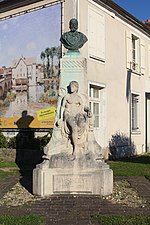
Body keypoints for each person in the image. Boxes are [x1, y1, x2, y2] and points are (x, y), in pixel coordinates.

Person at [60, 81, 92, 156]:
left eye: (73, 86)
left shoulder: (78, 98)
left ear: (76, 88)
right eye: (71, 86)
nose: (71, 88)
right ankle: (75, 148)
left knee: (83, 123)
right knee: (74, 127)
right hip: (68, 114)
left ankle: (80, 142)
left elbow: (84, 107)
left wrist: (89, 110)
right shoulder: (67, 97)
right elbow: (62, 107)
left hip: (77, 114)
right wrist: (60, 118)